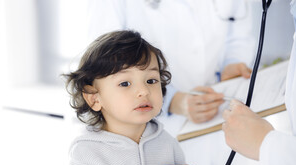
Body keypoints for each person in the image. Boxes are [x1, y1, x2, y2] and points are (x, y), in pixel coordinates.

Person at [147, 0, 296, 165]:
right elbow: (104, 64)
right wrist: (171, 100)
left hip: (223, 120)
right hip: (170, 125)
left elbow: (238, 36)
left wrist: (266, 145)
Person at [59, 30, 213, 165]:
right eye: (125, 83)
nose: (143, 91)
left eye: (151, 80)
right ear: (94, 99)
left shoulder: (167, 143)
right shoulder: (87, 155)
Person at [87, 0, 255, 124]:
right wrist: (172, 100)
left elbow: (238, 31)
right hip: (153, 122)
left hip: (218, 109)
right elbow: (104, 64)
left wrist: (231, 63)